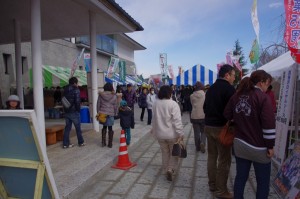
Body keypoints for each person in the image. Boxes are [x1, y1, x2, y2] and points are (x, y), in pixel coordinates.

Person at [224, 70, 276, 199]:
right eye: (267, 84)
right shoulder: (263, 98)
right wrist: (270, 146)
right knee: (263, 182)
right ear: (261, 82)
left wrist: (238, 119)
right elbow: (269, 124)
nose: (267, 87)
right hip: (259, 147)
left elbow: (226, 114)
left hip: (240, 143)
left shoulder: (236, 95)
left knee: (240, 177)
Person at [203, 64, 236, 198]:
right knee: (224, 159)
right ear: (227, 75)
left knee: (212, 156)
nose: (234, 78)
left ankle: (212, 184)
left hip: (208, 126)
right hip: (222, 129)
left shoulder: (210, 89)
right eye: (233, 75)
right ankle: (221, 190)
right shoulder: (229, 89)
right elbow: (232, 111)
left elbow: (205, 107)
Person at [151, 85, 184, 181]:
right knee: (174, 153)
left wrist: (153, 129)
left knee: (165, 153)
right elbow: (177, 120)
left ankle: (166, 170)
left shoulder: (155, 103)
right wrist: (180, 133)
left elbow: (154, 119)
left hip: (160, 134)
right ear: (170, 93)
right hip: (172, 134)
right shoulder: (173, 104)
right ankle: (170, 169)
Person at [62, 77, 85, 148]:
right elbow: (77, 101)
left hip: (66, 111)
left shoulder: (64, 89)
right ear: (75, 83)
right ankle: (80, 142)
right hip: (74, 111)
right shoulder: (76, 90)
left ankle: (66, 144)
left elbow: (63, 99)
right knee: (78, 128)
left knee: (67, 128)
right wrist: (78, 110)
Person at [97, 82, 118, 148]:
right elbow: (115, 105)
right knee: (110, 128)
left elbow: (98, 104)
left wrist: (98, 112)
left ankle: (103, 142)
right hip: (111, 113)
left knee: (104, 127)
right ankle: (110, 143)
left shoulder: (101, 95)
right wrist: (115, 113)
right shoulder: (114, 96)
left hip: (103, 113)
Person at [190, 81, 206, 153]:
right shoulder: (205, 94)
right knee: (203, 131)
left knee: (196, 132)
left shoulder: (192, 96)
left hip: (194, 115)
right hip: (203, 115)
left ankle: (198, 147)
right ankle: (202, 142)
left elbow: (192, 104)